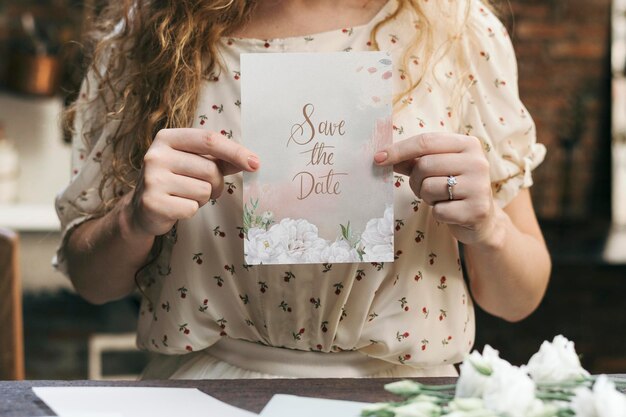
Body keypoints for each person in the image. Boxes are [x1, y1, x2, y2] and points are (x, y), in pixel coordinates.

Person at [55, 0, 551, 379]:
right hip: (204, 391)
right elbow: (92, 281)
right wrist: (132, 220)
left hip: (403, 396)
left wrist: (490, 228)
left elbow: (518, 299)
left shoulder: (456, 27)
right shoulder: (149, 31)